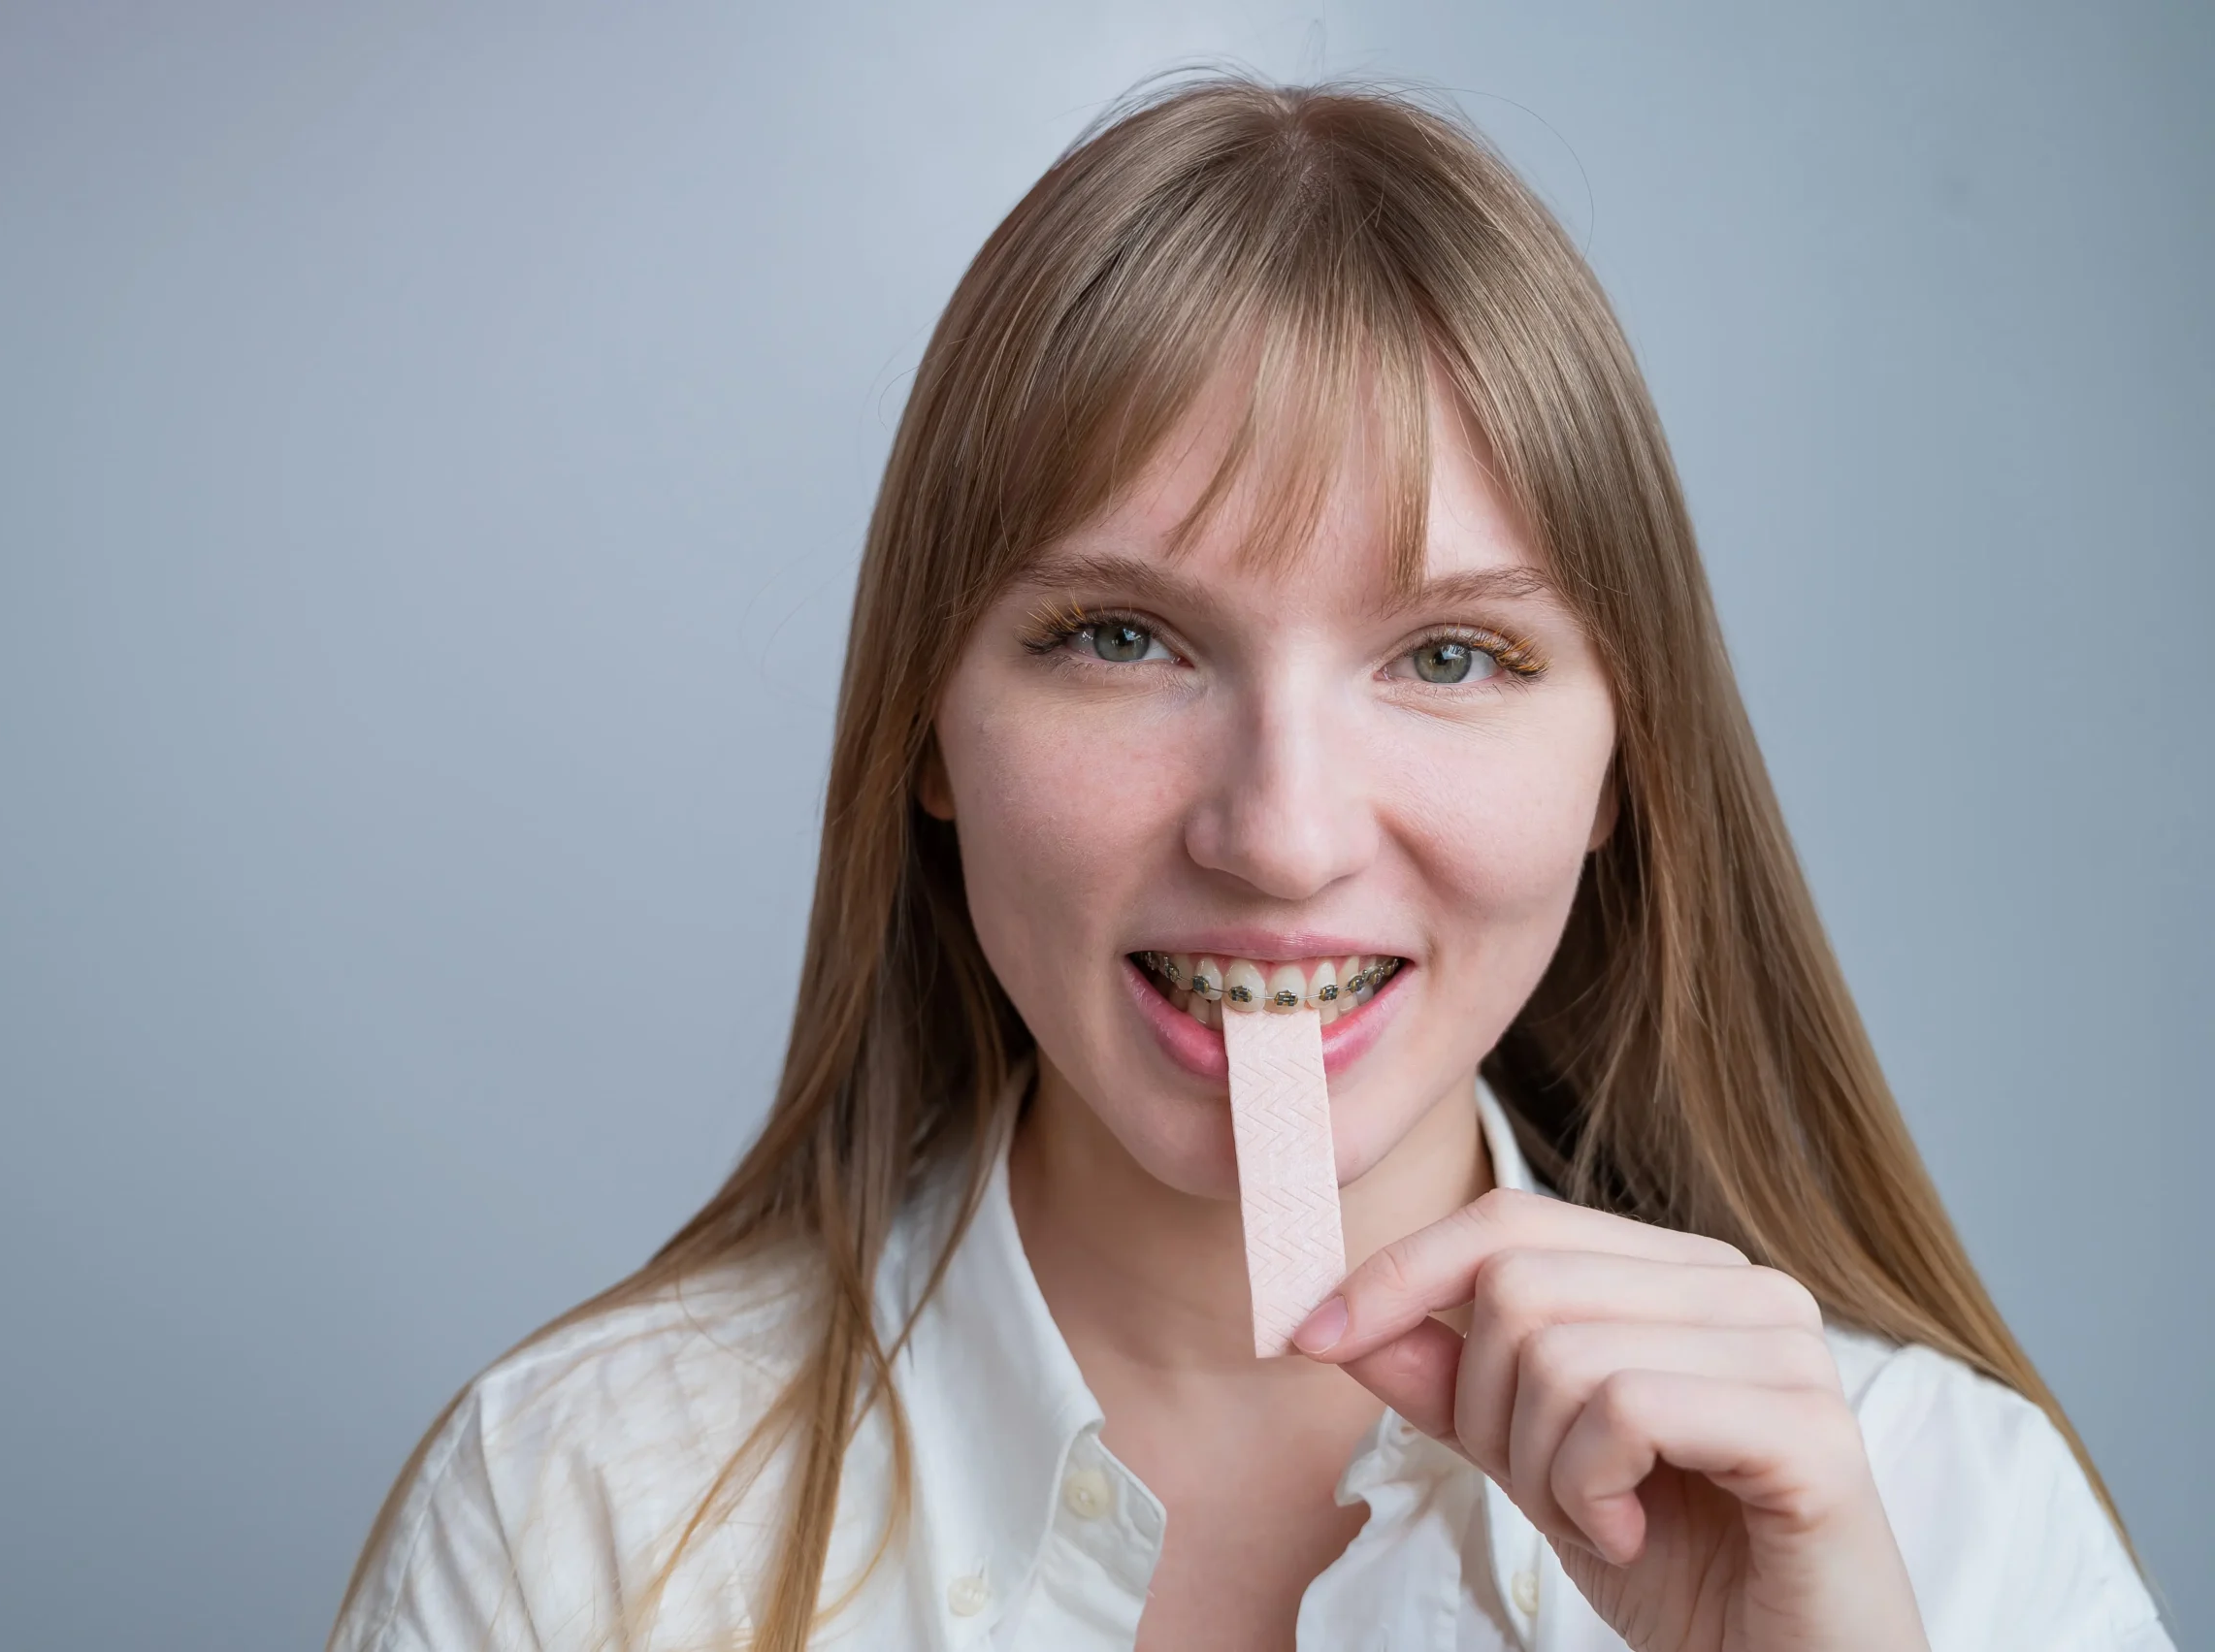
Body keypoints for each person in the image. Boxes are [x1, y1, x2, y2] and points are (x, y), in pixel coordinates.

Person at [328, 78, 2169, 1651]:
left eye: (1450, 656)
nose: (1280, 834)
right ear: (926, 735)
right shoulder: (575, 1517)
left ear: (1626, 768)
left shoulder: (1949, 1528)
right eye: (1125, 637)